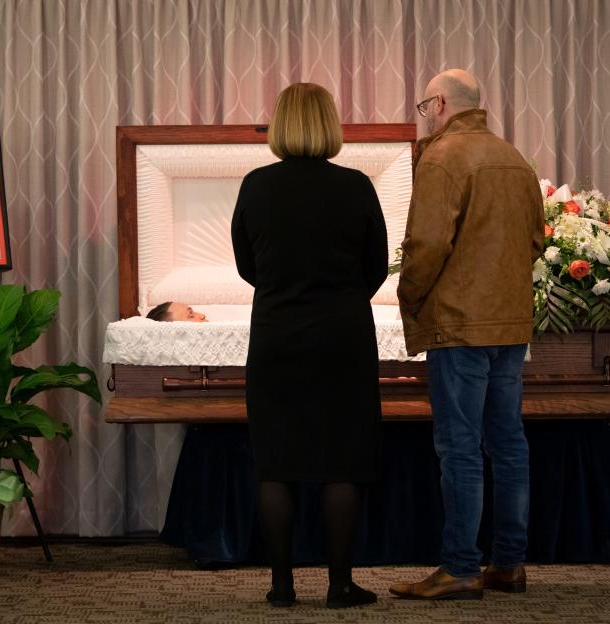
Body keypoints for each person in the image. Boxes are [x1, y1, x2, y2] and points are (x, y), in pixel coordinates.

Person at [388, 69, 544, 601]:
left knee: (459, 448)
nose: (421, 115)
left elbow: (427, 244)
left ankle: (459, 568)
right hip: (509, 320)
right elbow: (536, 241)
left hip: (459, 324)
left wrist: (409, 296)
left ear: (437, 104)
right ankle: (510, 564)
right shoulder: (513, 157)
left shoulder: (441, 155)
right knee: (508, 445)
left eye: (421, 106)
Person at [231, 82, 388, 609]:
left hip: (276, 336)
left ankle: (281, 586)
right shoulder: (356, 186)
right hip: (343, 336)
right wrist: (338, 298)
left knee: (276, 462)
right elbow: (376, 265)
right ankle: (340, 586)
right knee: (342, 460)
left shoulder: (255, 185)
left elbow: (246, 266)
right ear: (331, 124)